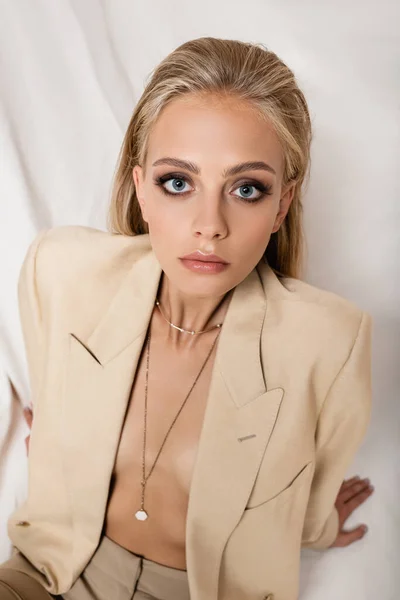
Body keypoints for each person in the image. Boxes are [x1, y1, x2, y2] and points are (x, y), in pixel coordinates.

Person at [0, 37, 374, 600]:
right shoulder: (60, 271)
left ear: (282, 205)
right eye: (178, 182)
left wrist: (316, 524)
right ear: (140, 189)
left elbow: (311, 497)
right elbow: (51, 405)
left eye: (246, 189)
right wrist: (57, 441)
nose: (210, 224)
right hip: (46, 575)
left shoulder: (329, 343)